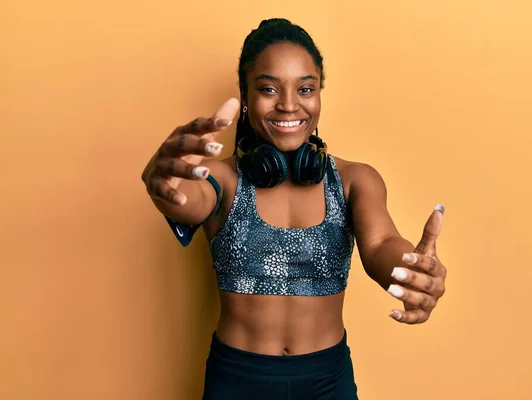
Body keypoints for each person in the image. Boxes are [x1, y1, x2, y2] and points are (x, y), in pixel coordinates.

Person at [141, 18, 447, 400]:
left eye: (305, 88)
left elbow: (381, 243)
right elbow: (185, 198)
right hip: (237, 380)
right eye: (268, 88)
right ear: (246, 95)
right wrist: (161, 179)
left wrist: (410, 272)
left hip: (327, 381)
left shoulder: (354, 180)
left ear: (320, 94)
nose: (288, 104)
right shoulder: (222, 179)